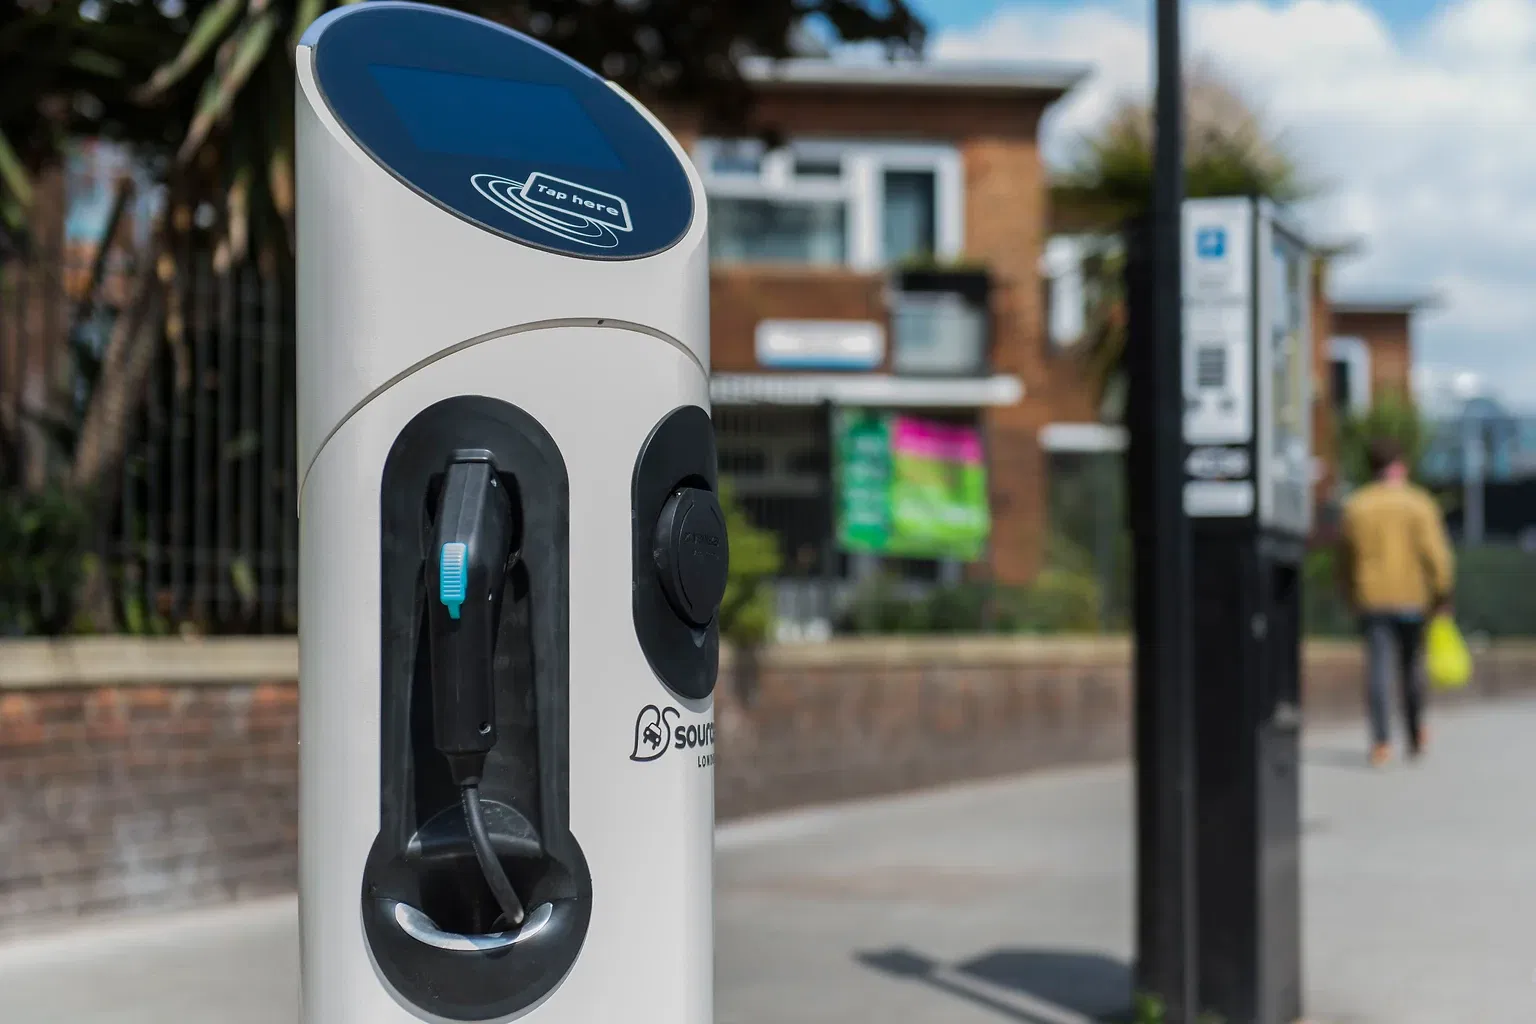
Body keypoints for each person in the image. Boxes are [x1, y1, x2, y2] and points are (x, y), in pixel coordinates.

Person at [1337, 437, 1455, 767]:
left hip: (1371, 598)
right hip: (1412, 598)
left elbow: (1344, 560)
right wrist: (1443, 593)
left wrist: (1348, 593)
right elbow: (1437, 555)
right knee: (1412, 665)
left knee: (1378, 668)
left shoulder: (1356, 506)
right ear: (1400, 465)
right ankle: (1415, 733)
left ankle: (1381, 743)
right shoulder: (1419, 503)